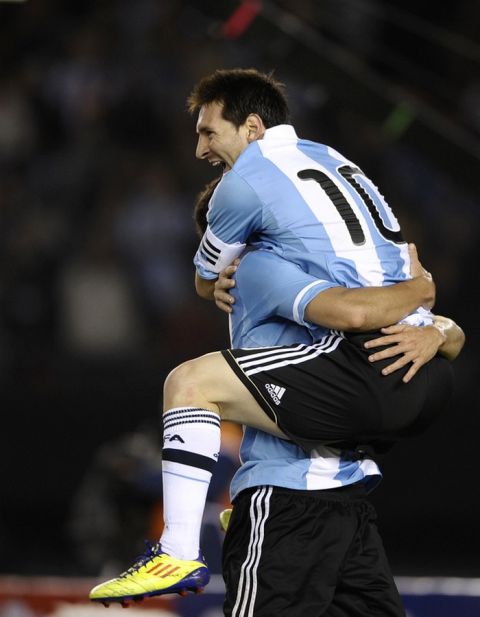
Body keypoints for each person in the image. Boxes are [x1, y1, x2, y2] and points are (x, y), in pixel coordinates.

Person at [89, 69, 462, 605]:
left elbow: (349, 313)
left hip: (288, 496)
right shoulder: (337, 165)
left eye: (208, 133)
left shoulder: (258, 263)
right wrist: (431, 312)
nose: (199, 149)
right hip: (365, 469)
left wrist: (421, 291)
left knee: (188, 383)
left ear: (253, 127)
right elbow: (413, 303)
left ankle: (176, 549)